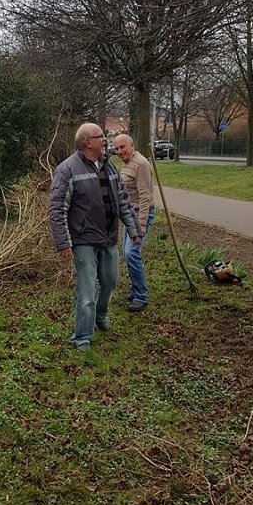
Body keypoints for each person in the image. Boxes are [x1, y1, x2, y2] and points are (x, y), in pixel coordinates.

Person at [49, 123, 140, 351]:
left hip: (108, 238)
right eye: (101, 137)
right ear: (88, 142)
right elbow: (57, 207)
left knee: (109, 282)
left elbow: (122, 201)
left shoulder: (108, 168)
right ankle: (82, 337)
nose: (105, 141)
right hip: (84, 240)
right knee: (87, 291)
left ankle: (100, 317)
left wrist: (133, 229)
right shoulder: (67, 169)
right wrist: (63, 241)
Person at [114, 134, 155, 312]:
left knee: (131, 252)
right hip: (129, 214)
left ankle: (140, 296)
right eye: (116, 149)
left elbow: (145, 196)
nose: (119, 151)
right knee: (126, 252)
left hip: (140, 215)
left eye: (123, 147)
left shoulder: (141, 164)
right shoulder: (127, 163)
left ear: (132, 145)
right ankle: (135, 289)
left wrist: (142, 224)